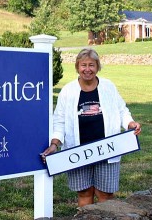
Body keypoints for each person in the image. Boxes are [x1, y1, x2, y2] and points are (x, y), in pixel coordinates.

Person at [42, 48, 141, 207]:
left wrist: (130, 123)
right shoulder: (68, 91)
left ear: (97, 67)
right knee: (84, 192)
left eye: (91, 65)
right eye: (83, 65)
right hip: (77, 152)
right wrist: (55, 143)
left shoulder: (108, 86)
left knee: (106, 194)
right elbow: (59, 120)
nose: (87, 69)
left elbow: (122, 110)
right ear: (77, 67)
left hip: (108, 149)